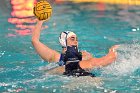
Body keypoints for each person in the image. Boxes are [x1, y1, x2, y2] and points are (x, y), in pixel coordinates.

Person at [32, 20, 119, 77]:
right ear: (63, 41)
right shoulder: (56, 57)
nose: (76, 41)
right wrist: (40, 21)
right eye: (72, 39)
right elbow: (35, 41)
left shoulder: (84, 55)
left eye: (77, 39)